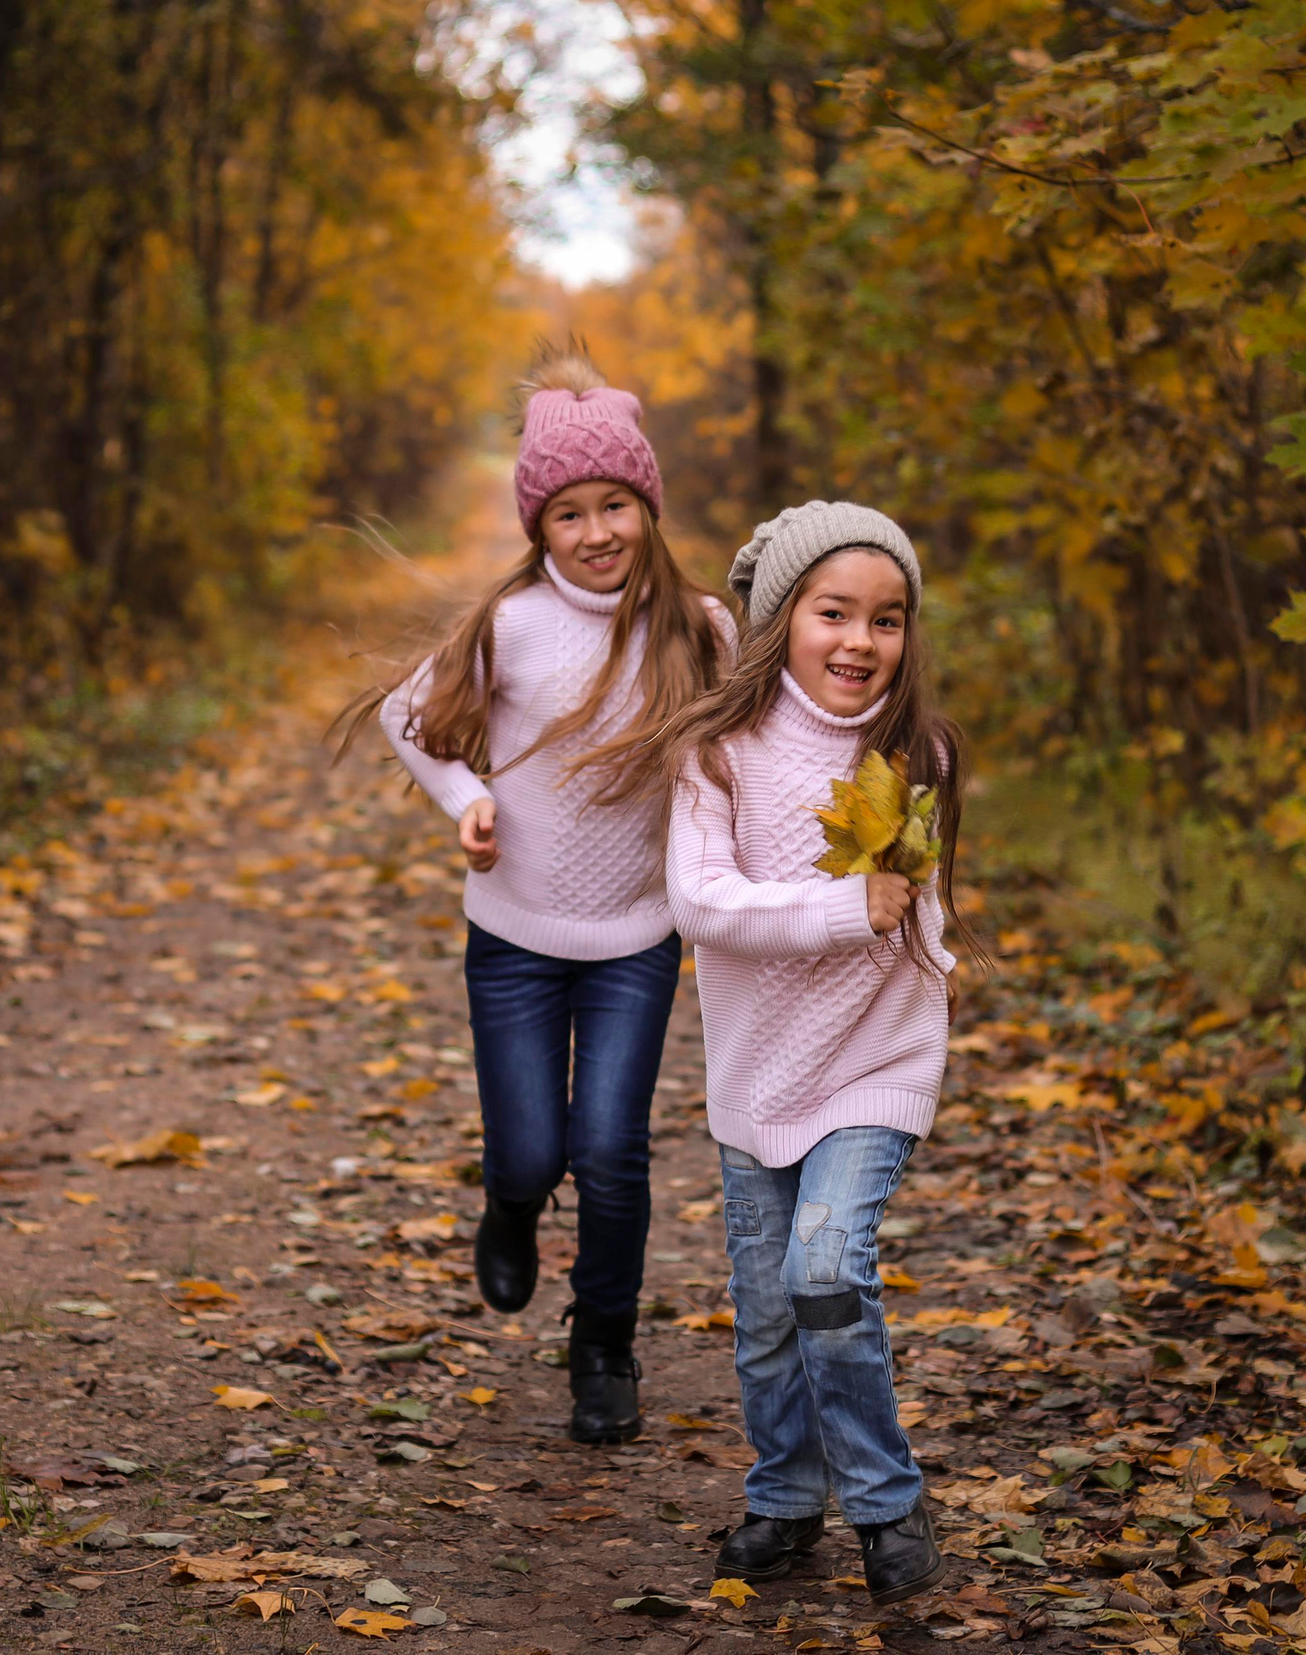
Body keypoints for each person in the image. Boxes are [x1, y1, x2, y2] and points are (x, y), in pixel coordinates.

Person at [362, 347, 732, 1445]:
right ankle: (511, 1202)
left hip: (635, 936)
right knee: (532, 1147)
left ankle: (603, 1343)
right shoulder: (513, 624)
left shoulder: (697, 627)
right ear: (539, 527)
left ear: (647, 505)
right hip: (514, 937)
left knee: (612, 1146)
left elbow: (758, 738)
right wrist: (465, 795)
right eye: (568, 513)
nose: (597, 531)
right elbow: (403, 715)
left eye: (615, 504)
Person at [652, 501, 978, 1604]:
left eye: (886, 619)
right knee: (768, 1313)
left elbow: (923, 905)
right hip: (757, 1073)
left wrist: (927, 963)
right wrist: (846, 905)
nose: (859, 640)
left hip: (876, 1061)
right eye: (833, 612)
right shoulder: (720, 753)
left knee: (827, 1269)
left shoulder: (917, 748)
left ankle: (886, 1500)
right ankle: (785, 1495)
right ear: (781, 618)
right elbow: (701, 901)